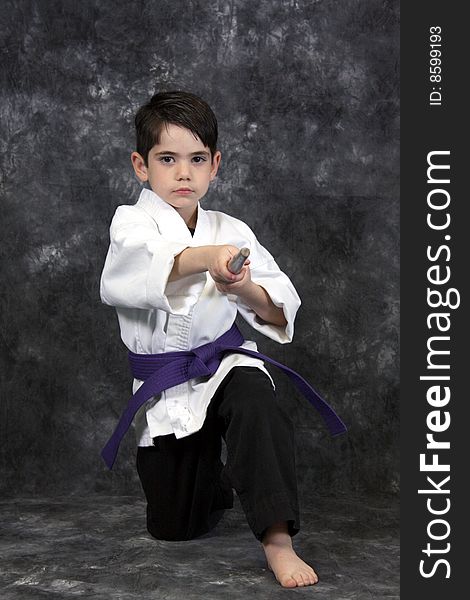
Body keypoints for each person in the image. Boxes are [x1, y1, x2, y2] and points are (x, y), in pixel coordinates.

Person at [100, 90, 333, 588]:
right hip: (167, 385)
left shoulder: (231, 228)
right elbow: (137, 271)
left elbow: (278, 307)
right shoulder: (132, 222)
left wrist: (242, 284)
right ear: (141, 166)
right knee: (175, 527)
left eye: (196, 159)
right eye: (167, 159)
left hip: (224, 363)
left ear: (215, 165)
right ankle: (223, 479)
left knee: (256, 400)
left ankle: (278, 542)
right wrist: (208, 259)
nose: (183, 173)